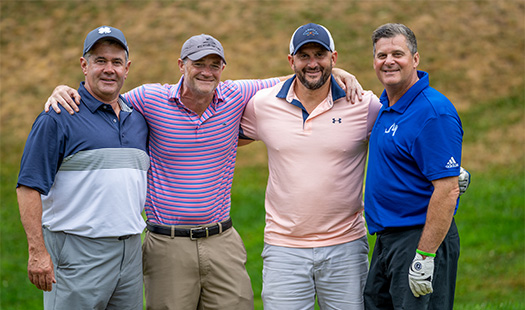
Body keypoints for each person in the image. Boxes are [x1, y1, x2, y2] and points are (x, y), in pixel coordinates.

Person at [44, 33, 362, 309]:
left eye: (214, 65)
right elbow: (103, 99)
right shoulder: (148, 98)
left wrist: (339, 72)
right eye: (198, 63)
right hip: (167, 242)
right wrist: (65, 89)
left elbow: (297, 75)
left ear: (223, 68)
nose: (206, 72)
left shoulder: (236, 95)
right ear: (182, 64)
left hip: (221, 238)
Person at [238, 22, 381, 309]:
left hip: (346, 246)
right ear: (291, 61)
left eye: (320, 55)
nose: (312, 63)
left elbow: (398, 145)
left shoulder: (364, 105)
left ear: (334, 58)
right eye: (304, 56)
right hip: (283, 248)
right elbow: (222, 137)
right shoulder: (263, 105)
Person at [16, 26, 149, 310]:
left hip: (130, 252)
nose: (109, 69)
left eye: (116, 62)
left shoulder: (138, 119)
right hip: (77, 252)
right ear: (84, 65)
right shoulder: (58, 117)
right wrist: (37, 252)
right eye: (100, 60)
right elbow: (28, 186)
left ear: (127, 68)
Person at [363, 23, 464, 309]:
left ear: (415, 59)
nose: (389, 61)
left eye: (398, 53)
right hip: (388, 240)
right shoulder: (388, 104)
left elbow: (447, 190)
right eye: (382, 56)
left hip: (419, 239)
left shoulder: (432, 112)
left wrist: (425, 256)